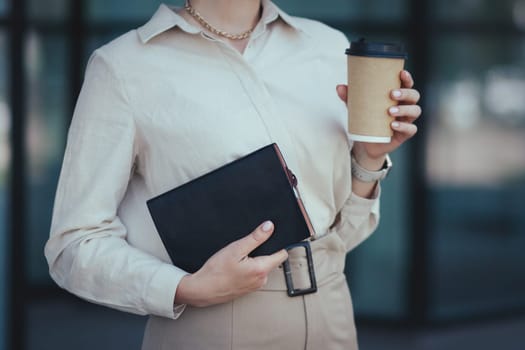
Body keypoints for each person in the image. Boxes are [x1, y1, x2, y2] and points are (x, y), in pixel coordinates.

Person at [44, 0, 421, 349]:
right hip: (212, 324)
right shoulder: (123, 67)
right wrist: (183, 288)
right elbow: (74, 243)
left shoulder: (326, 47)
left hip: (333, 315)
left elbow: (345, 235)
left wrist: (368, 159)